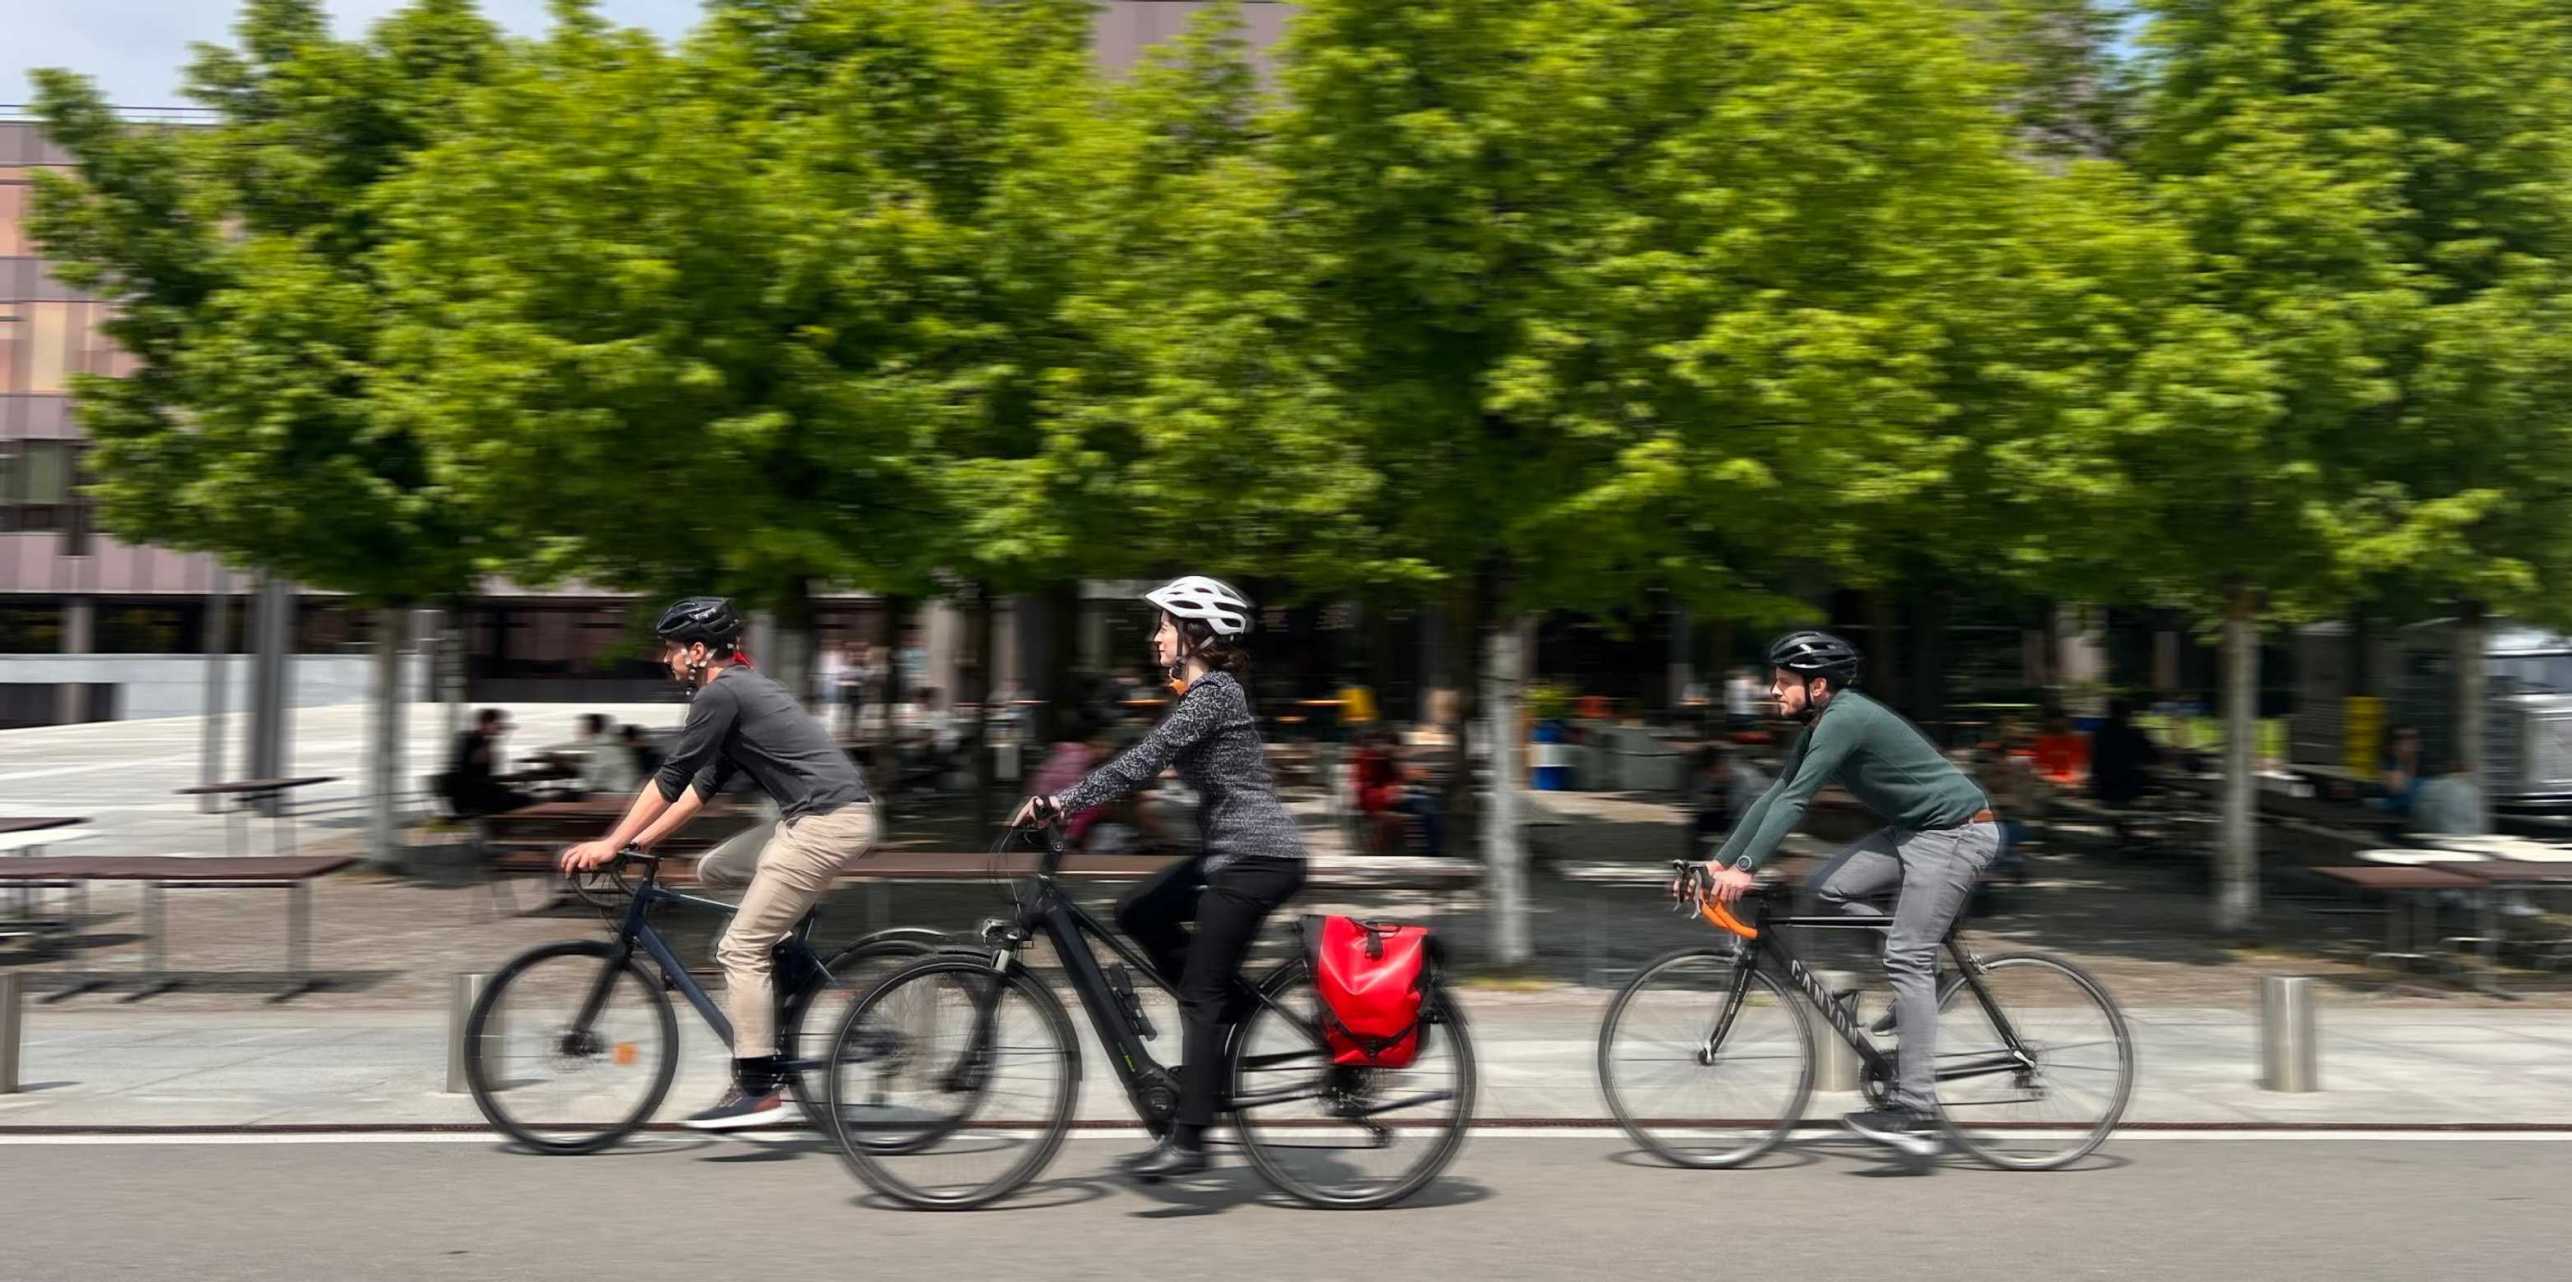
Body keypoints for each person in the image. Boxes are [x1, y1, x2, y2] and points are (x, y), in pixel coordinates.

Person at [1012, 575, 1304, 1183]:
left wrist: (1061, 802)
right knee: (1137, 912)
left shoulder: (1216, 693)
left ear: (1197, 632)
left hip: (1256, 858)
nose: (1157, 637)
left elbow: (1146, 758)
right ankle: (1218, 1002)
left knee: (1199, 993)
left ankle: (1191, 1137)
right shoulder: (1201, 697)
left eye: (1166, 625)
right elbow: (1143, 758)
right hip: (1227, 852)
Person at [558, 597, 877, 1131]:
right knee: (714, 869)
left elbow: (670, 777)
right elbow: (698, 790)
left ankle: (757, 1089)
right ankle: (788, 953)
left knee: (739, 947)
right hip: (819, 819)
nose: (667, 659)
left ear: (699, 651)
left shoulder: (723, 693)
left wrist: (611, 842)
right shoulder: (738, 693)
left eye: (673, 648)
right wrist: (644, 843)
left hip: (825, 823)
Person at [1694, 630, 1999, 1167]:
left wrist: (1746, 869)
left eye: (1783, 682)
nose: (1772, 691)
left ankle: (1916, 1112)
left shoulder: (1846, 718)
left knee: (1907, 954)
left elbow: (1797, 801)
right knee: (1827, 888)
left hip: (1955, 832)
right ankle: (1924, 977)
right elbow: (1774, 794)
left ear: (1818, 686)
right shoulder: (1823, 723)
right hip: (1915, 830)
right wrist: (1721, 861)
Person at [445, 708, 532, 817]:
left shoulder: (478, 740)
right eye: (497, 724)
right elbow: (475, 767)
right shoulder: (472, 741)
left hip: (476, 793)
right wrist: (492, 742)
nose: (500, 727)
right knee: (524, 800)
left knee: (521, 797)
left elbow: (484, 772)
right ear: (485, 724)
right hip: (469, 798)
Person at [574, 712, 637, 797]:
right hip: (623, 792)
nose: (579, 730)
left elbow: (592, 782)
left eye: (582, 727)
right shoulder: (610, 743)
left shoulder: (603, 748)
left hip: (619, 795)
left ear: (591, 728)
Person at [2375, 725, 2424, 817]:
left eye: (2412, 738)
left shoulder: (2427, 767)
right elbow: (2396, 787)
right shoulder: (2386, 770)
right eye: (2401, 739)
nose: (2408, 743)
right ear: (2391, 746)